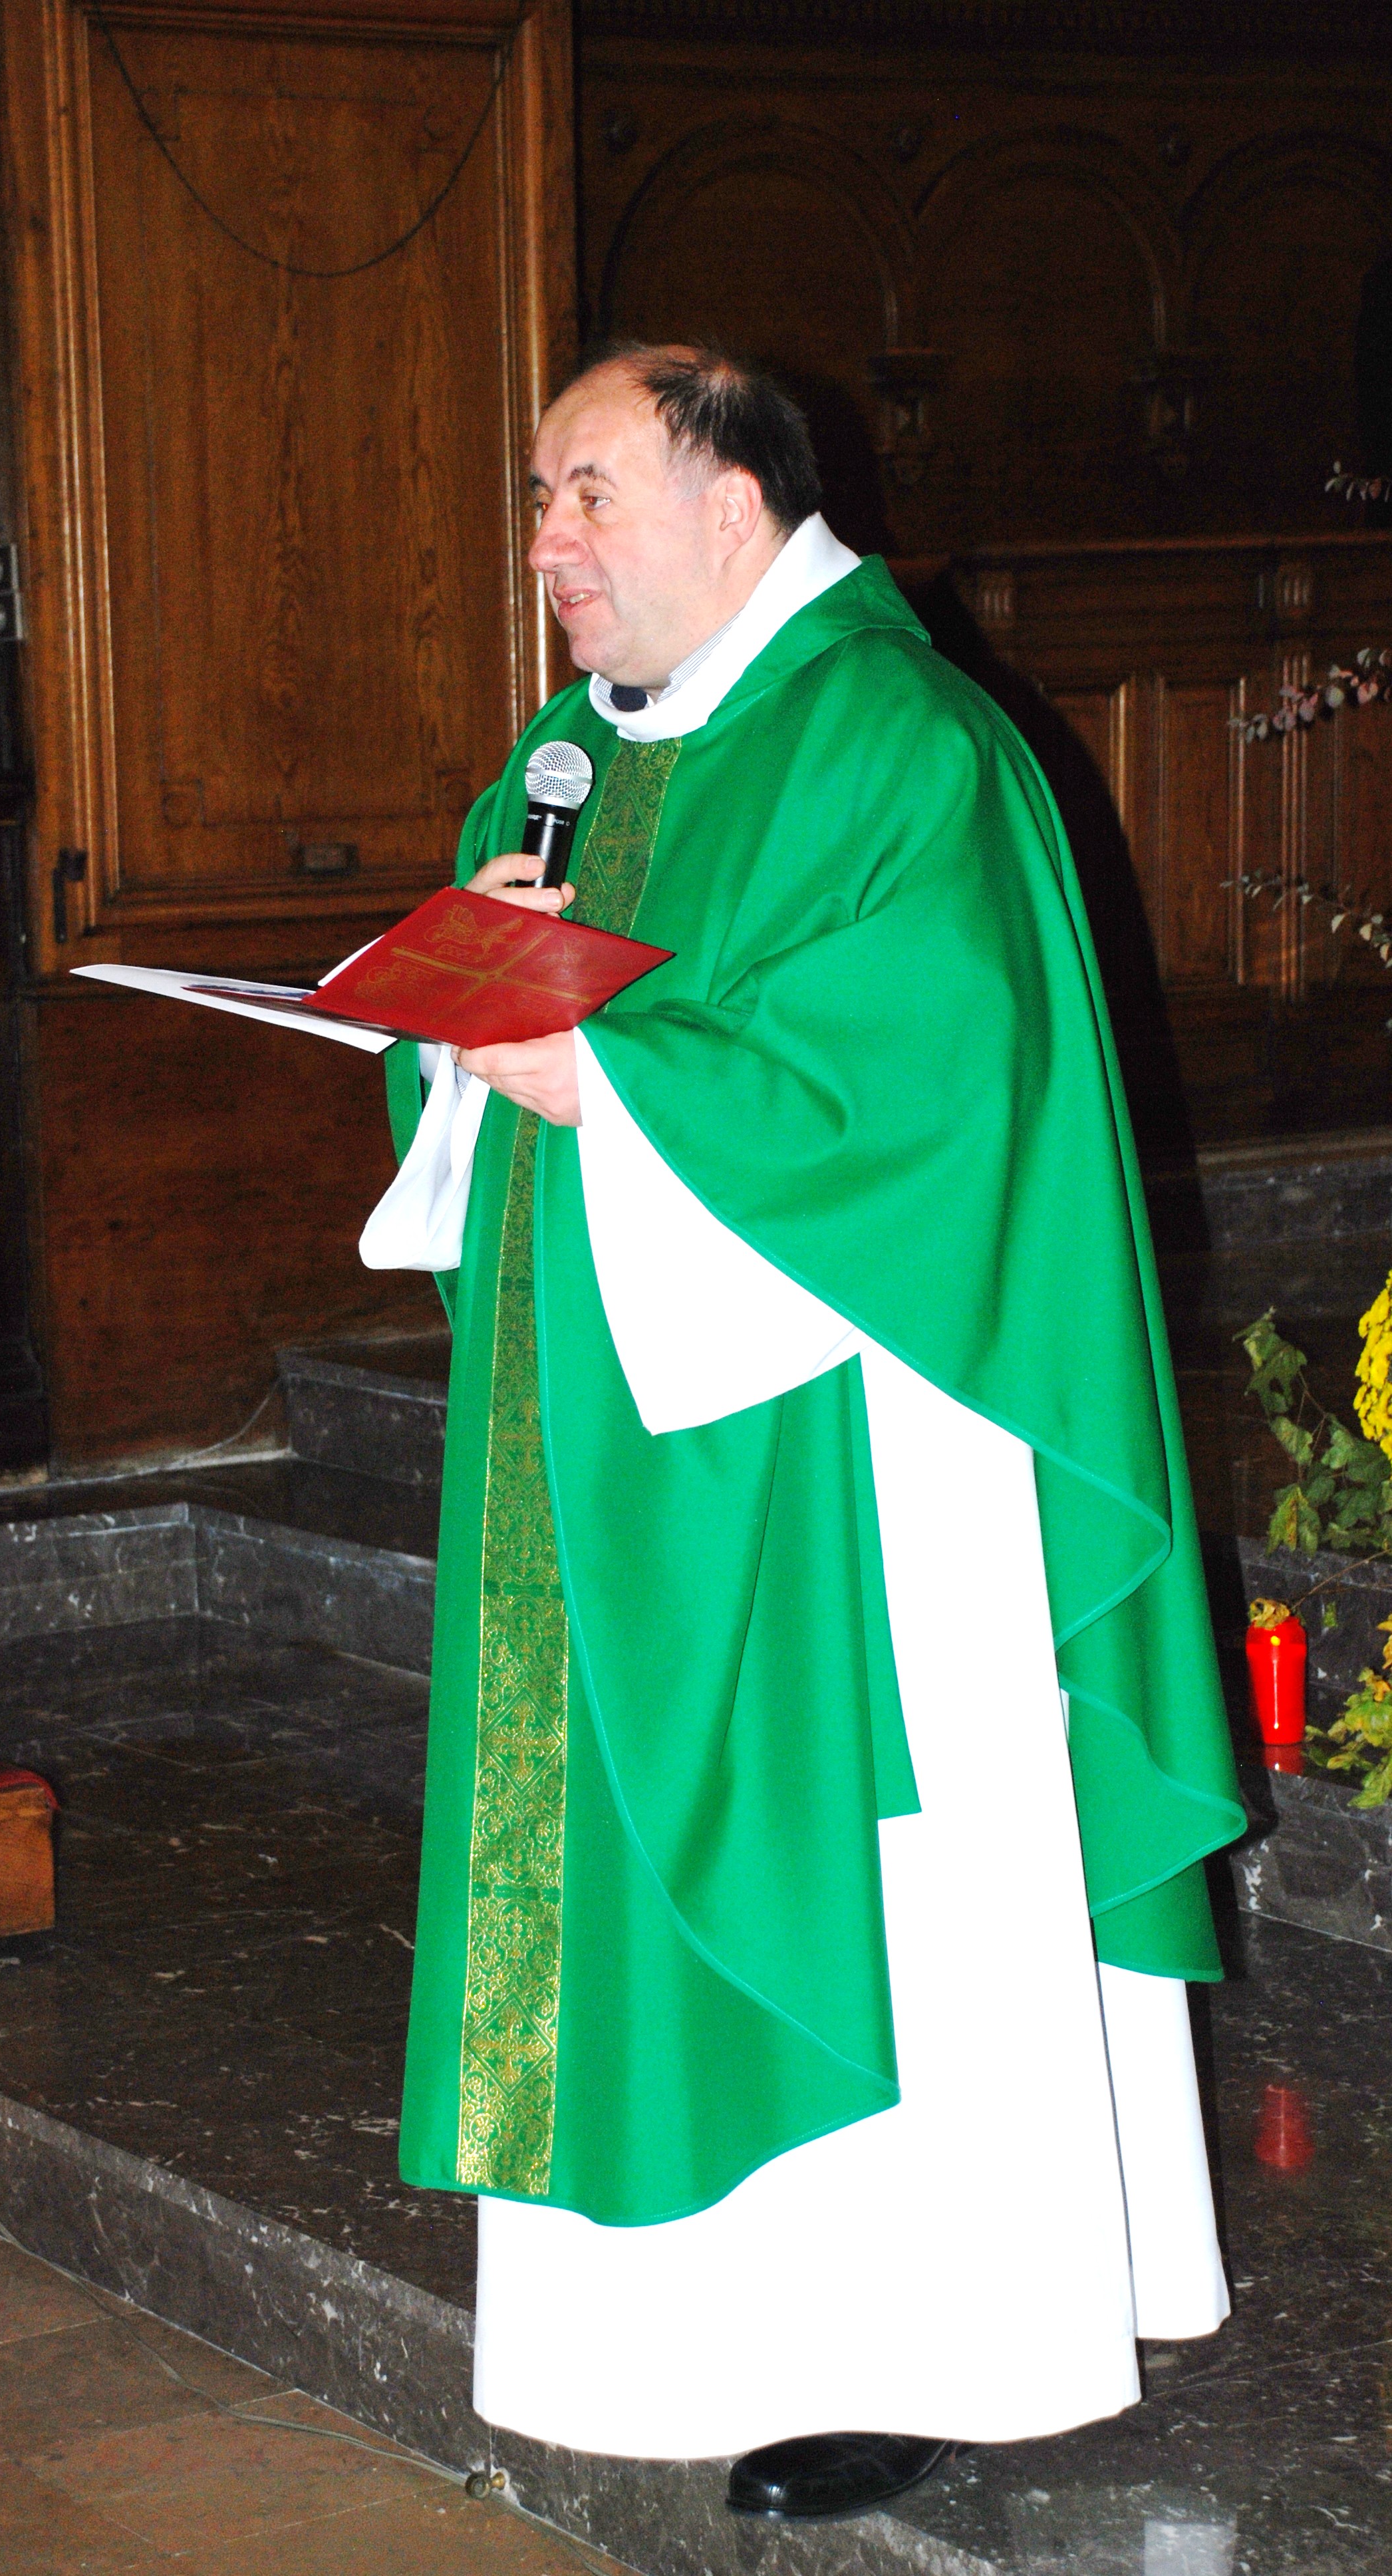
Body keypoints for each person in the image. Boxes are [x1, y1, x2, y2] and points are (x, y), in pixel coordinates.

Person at [359, 343, 1246, 2521]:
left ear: (736, 500)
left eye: (588, 492)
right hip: (611, 1428)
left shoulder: (901, 741)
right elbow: (477, 1050)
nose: (547, 542)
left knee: (895, 1862)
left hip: (867, 1442)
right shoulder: (562, 766)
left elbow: (937, 1084)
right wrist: (462, 1037)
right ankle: (678, 2333)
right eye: (538, 497)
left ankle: (940, 2337)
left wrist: (617, 1082)